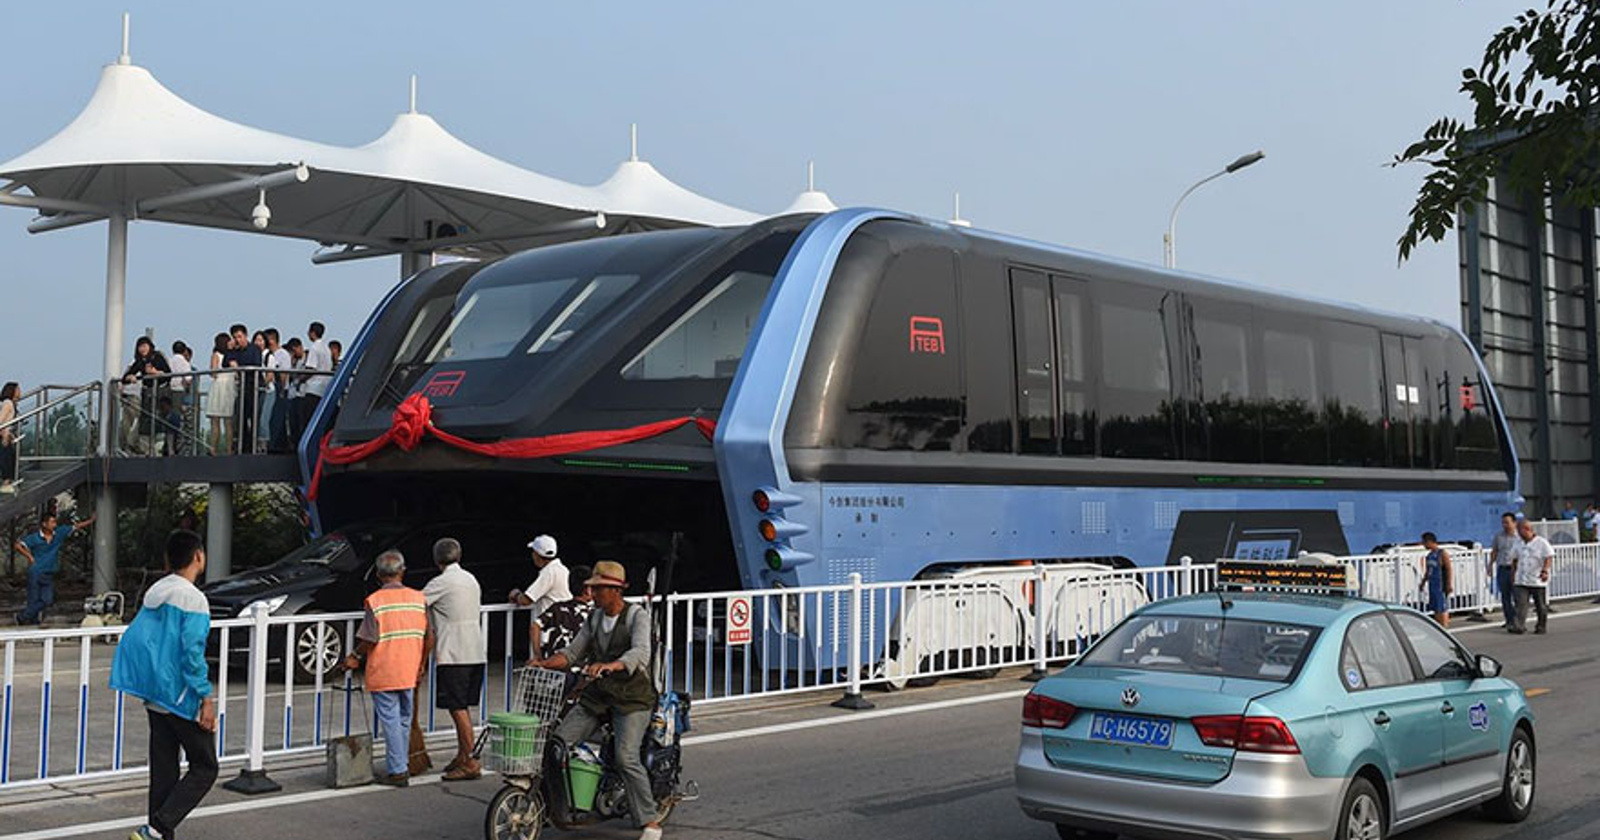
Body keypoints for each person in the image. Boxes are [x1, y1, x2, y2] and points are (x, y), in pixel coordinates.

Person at [534, 561, 663, 840]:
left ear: (615, 590)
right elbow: (572, 653)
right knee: (556, 745)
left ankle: (649, 820)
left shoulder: (636, 616)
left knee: (625, 756)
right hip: (599, 695)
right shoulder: (594, 618)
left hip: (632, 698)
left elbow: (641, 652)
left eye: (599, 588)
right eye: (592, 588)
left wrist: (613, 665)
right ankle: (556, 808)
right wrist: (544, 663)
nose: (592, 593)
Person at [111, 530, 218, 840]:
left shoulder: (156, 592)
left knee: (164, 771)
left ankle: (156, 835)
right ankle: (156, 828)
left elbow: (142, 641)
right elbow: (192, 653)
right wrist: (205, 697)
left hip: (155, 696)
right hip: (180, 696)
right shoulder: (193, 599)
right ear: (198, 556)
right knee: (205, 767)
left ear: (167, 559)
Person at [343, 550, 428, 787]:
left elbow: (370, 638)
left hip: (385, 669)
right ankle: (401, 765)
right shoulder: (418, 598)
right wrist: (421, 663)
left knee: (391, 720)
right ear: (402, 572)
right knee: (403, 718)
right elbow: (429, 634)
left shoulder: (376, 601)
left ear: (379, 575)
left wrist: (354, 656)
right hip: (409, 668)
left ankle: (398, 770)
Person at [422, 537, 486, 781]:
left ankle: (470, 760)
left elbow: (417, 601)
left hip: (453, 652)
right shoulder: (470, 579)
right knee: (462, 707)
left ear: (437, 559)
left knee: (457, 708)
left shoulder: (441, 582)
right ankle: (463, 754)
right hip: (474, 649)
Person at [15, 509, 95, 625]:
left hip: (49, 572)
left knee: (47, 599)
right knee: (33, 599)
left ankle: (23, 616)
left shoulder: (58, 533)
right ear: (44, 524)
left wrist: (90, 521)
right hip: (36, 571)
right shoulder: (35, 537)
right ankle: (32, 619)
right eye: (52, 522)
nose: (54, 525)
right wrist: (29, 556)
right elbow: (18, 545)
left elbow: (75, 526)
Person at [528, 565, 593, 665]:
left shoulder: (557, 608)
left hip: (553, 667)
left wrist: (538, 656)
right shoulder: (593, 613)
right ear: (587, 590)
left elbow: (535, 626)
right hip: (579, 667)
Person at [121, 337, 171, 455]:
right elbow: (126, 376)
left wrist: (155, 372)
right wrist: (130, 377)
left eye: (144, 346)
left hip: (160, 392)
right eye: (140, 347)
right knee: (146, 420)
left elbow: (168, 374)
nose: (142, 349)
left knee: (159, 420)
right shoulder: (140, 361)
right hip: (147, 392)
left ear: (150, 346)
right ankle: (146, 448)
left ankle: (160, 448)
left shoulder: (157, 356)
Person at [509, 534, 572, 616]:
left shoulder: (548, 572)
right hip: (563, 619)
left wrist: (515, 595)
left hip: (551, 623)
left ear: (537, 554)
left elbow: (526, 600)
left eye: (533, 552)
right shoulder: (563, 569)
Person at [225, 324, 264, 453]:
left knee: (253, 417)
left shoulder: (254, 349)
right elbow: (225, 364)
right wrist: (230, 351)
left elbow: (256, 364)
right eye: (235, 337)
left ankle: (253, 445)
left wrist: (240, 366)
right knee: (241, 417)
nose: (238, 340)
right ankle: (243, 445)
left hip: (254, 386)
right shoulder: (235, 351)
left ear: (246, 336)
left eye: (240, 336)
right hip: (241, 388)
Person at [1511, 519, 1552, 634]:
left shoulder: (1541, 542)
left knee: (1540, 605)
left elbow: (1548, 557)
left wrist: (1545, 571)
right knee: (1520, 604)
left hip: (1536, 579)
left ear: (1527, 529)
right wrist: (1513, 574)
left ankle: (1541, 626)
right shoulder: (1518, 543)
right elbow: (1514, 559)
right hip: (1521, 578)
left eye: (1519, 530)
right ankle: (1519, 626)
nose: (1518, 533)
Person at [298, 322, 333, 434]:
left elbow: (311, 368)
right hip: (324, 389)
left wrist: (300, 379)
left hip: (313, 388)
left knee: (307, 420)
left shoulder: (314, 348)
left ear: (312, 333)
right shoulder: (326, 349)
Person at [263, 329, 293, 453]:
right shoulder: (268, 354)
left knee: (277, 418)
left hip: (281, 389)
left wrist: (283, 388)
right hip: (273, 390)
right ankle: (280, 445)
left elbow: (284, 373)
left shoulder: (282, 354)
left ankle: (275, 444)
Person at [1489, 513, 1521, 629]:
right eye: (1503, 522)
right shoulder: (1499, 536)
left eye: (1507, 522)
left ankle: (1518, 621)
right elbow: (1495, 551)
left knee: (1517, 596)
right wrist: (1490, 565)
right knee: (1505, 596)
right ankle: (1509, 620)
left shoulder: (1520, 537)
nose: (1505, 525)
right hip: (1502, 569)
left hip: (1516, 570)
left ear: (1514, 523)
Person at [1418, 532, 1453, 627]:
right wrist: (1423, 582)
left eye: (1424, 542)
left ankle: (1444, 625)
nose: (1423, 545)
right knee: (1435, 607)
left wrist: (1449, 584)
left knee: (1442, 607)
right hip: (1432, 584)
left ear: (1429, 541)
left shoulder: (1442, 553)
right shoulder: (1429, 556)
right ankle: (1439, 625)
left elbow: (1449, 569)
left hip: (1440, 584)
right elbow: (1428, 571)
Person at [168, 342, 193, 439]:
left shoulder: (169, 361)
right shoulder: (184, 362)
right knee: (178, 418)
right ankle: (177, 443)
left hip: (169, 389)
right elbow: (188, 379)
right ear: (184, 351)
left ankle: (169, 446)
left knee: (169, 419)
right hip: (179, 390)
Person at [0, 382, 18, 494]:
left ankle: (7, 482)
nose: (19, 392)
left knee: (9, 456)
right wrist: (5, 434)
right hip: (3, 436)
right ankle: (6, 483)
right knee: (7, 457)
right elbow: (1, 420)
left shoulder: (9, 403)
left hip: (6, 435)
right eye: (17, 389)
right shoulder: (8, 403)